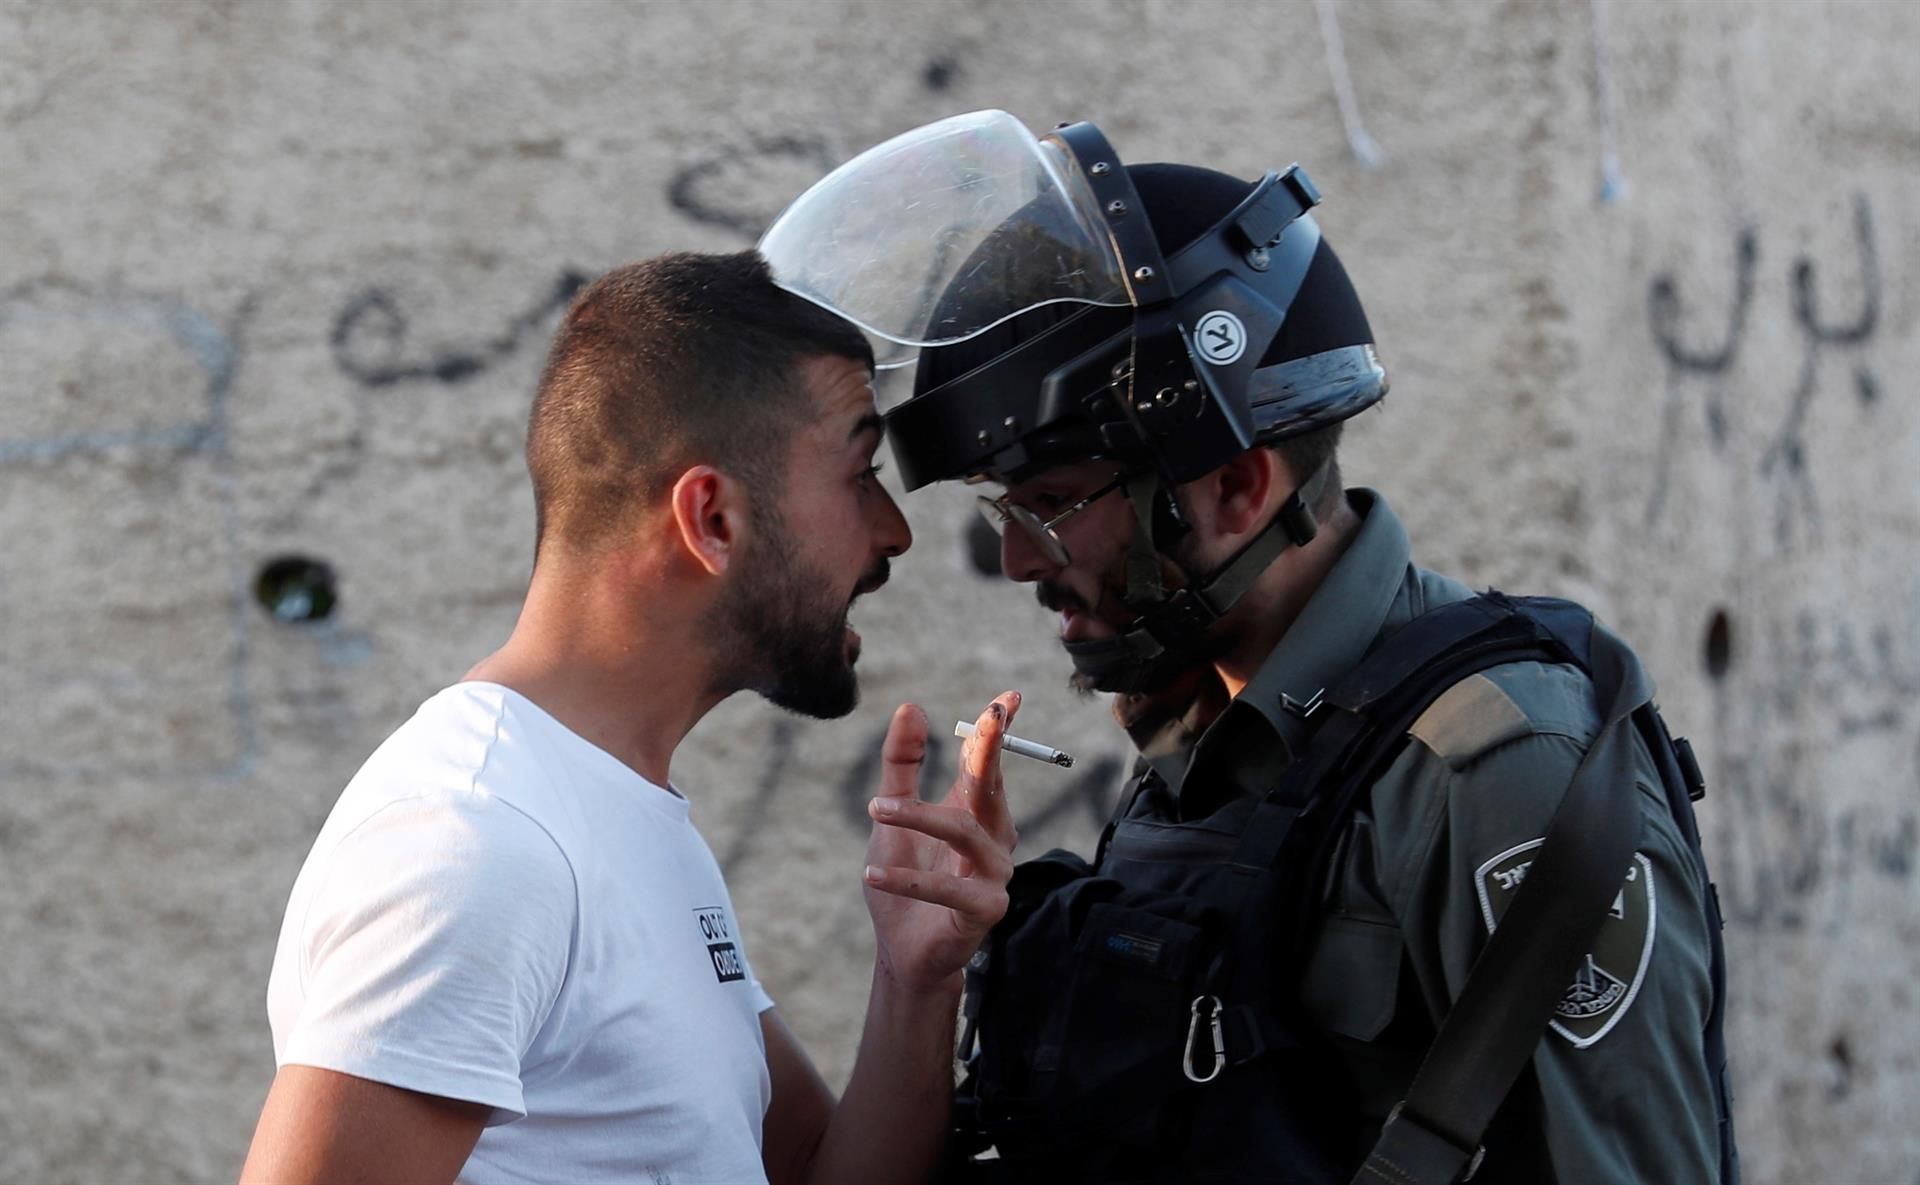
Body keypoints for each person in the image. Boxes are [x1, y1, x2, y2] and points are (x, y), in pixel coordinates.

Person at [758, 111, 1737, 1184]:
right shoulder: (1212, 736)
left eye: (1046, 506)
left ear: (1235, 485)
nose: (1020, 564)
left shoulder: (1501, 773)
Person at [239, 251, 1023, 1185]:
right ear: (713, 518)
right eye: (859, 472)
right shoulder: (478, 846)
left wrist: (917, 977)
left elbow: (818, 1173)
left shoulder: (606, 812)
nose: (893, 530)